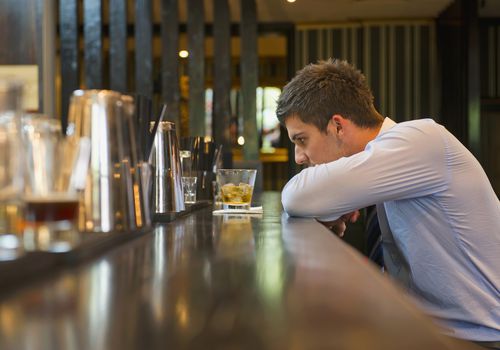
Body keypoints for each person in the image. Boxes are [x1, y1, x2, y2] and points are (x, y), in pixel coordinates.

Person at [277, 59, 500, 345]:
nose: (298, 157)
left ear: (337, 126)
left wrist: (327, 197)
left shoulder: (421, 140)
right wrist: (335, 200)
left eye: (302, 140)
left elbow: (295, 195)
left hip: (481, 337)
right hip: (427, 330)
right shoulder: (387, 160)